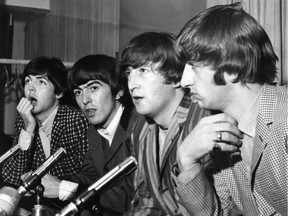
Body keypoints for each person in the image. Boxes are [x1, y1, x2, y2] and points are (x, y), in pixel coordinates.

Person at [175, 2, 287, 215]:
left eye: (193, 65)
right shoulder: (225, 133)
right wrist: (187, 161)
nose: (183, 80)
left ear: (232, 66)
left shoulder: (286, 120)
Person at [121, 32, 209, 215]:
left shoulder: (201, 120)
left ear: (177, 78)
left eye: (143, 71)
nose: (131, 84)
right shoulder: (141, 129)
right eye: (129, 73)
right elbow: (147, 198)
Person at [40, 54, 140, 216]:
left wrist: (64, 189)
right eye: (78, 92)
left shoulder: (138, 126)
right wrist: (47, 181)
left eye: (93, 88)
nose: (85, 99)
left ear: (119, 91)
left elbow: (132, 196)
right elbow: (88, 176)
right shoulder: (94, 131)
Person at [1, 56, 89, 214]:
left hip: (76, 205)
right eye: (28, 81)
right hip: (43, 204)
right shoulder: (25, 121)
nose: (31, 88)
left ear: (59, 92)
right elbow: (13, 178)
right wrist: (29, 129)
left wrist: (36, 180)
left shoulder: (74, 120)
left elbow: (80, 176)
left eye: (41, 82)